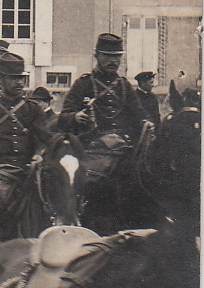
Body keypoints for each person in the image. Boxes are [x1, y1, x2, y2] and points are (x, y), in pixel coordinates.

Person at [59, 33, 154, 233]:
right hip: (92, 151)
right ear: (96, 56)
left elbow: (139, 114)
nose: (113, 61)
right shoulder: (83, 84)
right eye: (108, 56)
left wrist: (146, 123)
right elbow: (63, 117)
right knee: (91, 189)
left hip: (122, 151)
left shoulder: (124, 86)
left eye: (117, 56)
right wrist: (74, 117)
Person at [0, 53, 54, 241]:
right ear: (1, 79)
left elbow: (46, 140)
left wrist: (39, 155)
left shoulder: (33, 109)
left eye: (21, 78)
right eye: (13, 78)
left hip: (26, 171)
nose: (18, 83)